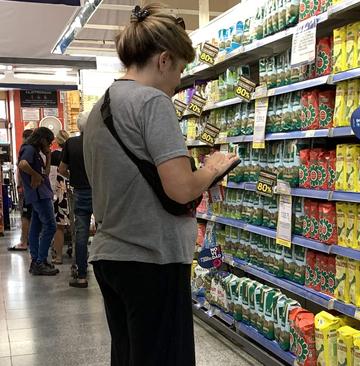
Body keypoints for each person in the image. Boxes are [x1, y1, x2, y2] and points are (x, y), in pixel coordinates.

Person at [83, 4, 238, 365]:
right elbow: (181, 188)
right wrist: (213, 168)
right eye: (181, 69)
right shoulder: (152, 101)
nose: (179, 81)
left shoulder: (99, 108)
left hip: (111, 255)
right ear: (164, 60)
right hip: (152, 258)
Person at [18, 127, 58, 276]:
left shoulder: (36, 152)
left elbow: (46, 173)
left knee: (35, 227)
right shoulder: (29, 149)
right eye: (48, 142)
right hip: (39, 195)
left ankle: (36, 260)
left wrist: (48, 156)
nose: (49, 145)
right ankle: (40, 261)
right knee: (51, 226)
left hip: (40, 193)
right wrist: (34, 175)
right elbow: (22, 164)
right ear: (42, 139)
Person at [59, 111, 92, 288]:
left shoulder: (71, 143)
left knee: (81, 234)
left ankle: (81, 275)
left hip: (80, 192)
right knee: (105, 232)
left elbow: (62, 170)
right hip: (101, 192)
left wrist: (75, 174)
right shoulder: (99, 142)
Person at [9, 128, 34, 251]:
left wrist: (20, 186)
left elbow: (21, 168)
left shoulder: (25, 149)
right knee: (32, 215)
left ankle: (24, 241)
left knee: (25, 215)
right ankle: (29, 239)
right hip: (33, 190)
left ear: (24, 138)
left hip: (26, 190)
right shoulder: (34, 150)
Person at [50, 130, 70, 264]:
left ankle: (58, 256)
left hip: (59, 192)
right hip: (73, 189)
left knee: (59, 226)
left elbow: (51, 176)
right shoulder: (74, 153)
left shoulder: (53, 155)